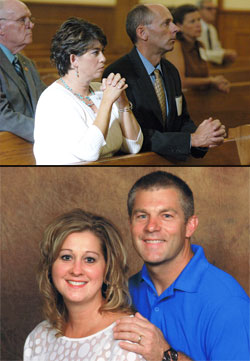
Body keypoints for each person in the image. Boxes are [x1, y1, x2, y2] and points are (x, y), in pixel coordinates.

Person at [113, 171, 250, 361]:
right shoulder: (124, 292)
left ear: (190, 225)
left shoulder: (227, 304)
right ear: (130, 224)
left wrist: (166, 355)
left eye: (166, 216)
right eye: (142, 216)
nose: (151, 227)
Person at [103, 4, 226, 161]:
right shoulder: (118, 74)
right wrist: (190, 140)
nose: (176, 29)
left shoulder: (170, 71)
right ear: (142, 33)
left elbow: (181, 120)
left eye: (173, 22)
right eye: (166, 23)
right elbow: (132, 134)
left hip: (172, 162)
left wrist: (205, 136)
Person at [23, 208, 145, 361]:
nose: (76, 270)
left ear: (108, 269)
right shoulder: (39, 338)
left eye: (89, 259)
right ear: (50, 266)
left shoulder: (128, 338)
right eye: (66, 257)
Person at [33, 17, 143, 165]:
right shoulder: (54, 99)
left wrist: (123, 103)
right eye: (95, 52)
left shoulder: (100, 90)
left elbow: (133, 147)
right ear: (74, 59)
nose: (103, 58)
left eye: (102, 51)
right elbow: (88, 153)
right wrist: (107, 102)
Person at [0, 0, 46, 142]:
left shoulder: (28, 63)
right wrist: (48, 132)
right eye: (22, 20)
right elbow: (2, 118)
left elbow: (45, 102)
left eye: (30, 19)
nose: (31, 25)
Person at [165, 5, 230, 93]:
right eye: (192, 21)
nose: (198, 25)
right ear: (179, 26)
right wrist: (211, 81)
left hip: (200, 96)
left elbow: (205, 75)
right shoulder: (175, 46)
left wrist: (216, 83)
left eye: (199, 20)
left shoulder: (200, 45)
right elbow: (181, 82)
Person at [197, 0, 237, 65]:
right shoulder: (196, 28)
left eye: (215, 9)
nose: (213, 12)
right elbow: (200, 53)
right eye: (209, 9)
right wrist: (223, 54)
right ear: (199, 10)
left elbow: (216, 49)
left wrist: (226, 52)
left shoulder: (212, 29)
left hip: (212, 64)